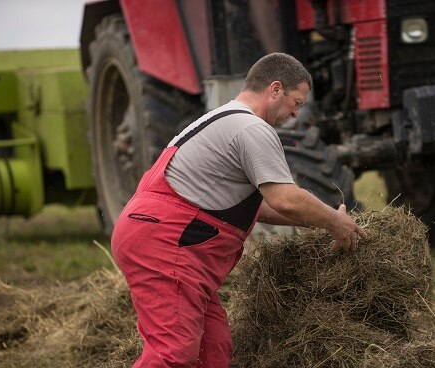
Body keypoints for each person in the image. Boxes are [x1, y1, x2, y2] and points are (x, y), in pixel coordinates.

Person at [111, 52, 366, 368]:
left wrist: (321, 221)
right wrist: (335, 223)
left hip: (166, 237)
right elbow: (284, 197)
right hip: (167, 242)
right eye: (296, 102)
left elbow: (260, 208)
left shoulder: (225, 119)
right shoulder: (250, 128)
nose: (296, 113)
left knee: (213, 350)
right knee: (173, 355)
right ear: (275, 89)